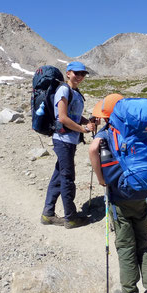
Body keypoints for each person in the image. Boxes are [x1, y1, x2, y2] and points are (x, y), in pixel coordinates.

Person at [88, 94, 147, 293]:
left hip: (120, 197)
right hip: (142, 193)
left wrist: (102, 179)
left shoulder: (108, 131)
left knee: (125, 247)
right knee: (143, 246)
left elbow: (93, 149)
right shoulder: (144, 132)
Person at [41, 61, 96, 229]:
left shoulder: (75, 92)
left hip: (69, 140)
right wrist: (83, 129)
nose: (80, 76)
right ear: (68, 73)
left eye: (83, 74)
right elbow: (63, 118)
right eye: (77, 73)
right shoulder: (64, 90)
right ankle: (71, 218)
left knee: (59, 176)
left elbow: (74, 115)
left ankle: (47, 214)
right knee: (67, 178)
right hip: (63, 140)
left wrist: (89, 122)